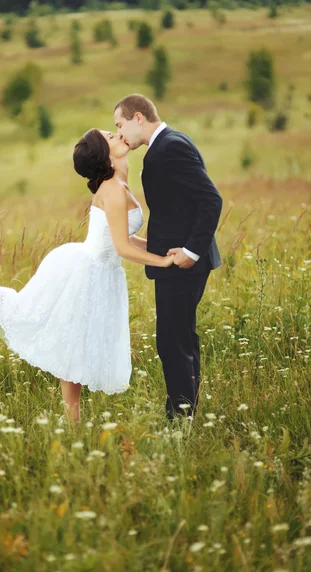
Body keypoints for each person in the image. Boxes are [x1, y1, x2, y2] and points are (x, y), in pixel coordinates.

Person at [0, 128, 174, 423]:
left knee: (75, 346)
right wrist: (162, 261)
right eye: (110, 136)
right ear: (104, 155)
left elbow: (120, 238)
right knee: (32, 321)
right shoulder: (112, 189)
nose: (117, 135)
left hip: (101, 272)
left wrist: (163, 249)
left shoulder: (119, 182)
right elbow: (121, 246)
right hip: (86, 272)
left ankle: (72, 422)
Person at [114, 94, 223, 421]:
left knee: (173, 342)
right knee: (181, 338)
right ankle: (186, 413)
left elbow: (210, 200)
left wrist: (191, 251)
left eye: (120, 125)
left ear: (138, 117)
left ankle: (180, 420)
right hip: (173, 260)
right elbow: (177, 210)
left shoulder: (171, 146)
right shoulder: (167, 144)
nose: (119, 133)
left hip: (183, 264)